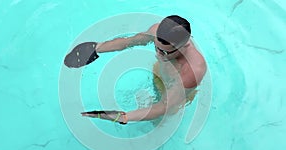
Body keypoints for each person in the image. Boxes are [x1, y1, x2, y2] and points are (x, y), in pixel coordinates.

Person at [65, 15, 206, 125]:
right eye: (157, 47)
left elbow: (164, 106)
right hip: (160, 73)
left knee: (158, 122)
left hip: (177, 90)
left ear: (184, 46)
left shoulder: (194, 69)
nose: (159, 53)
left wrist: (124, 117)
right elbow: (129, 42)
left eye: (165, 52)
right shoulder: (156, 31)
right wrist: (96, 48)